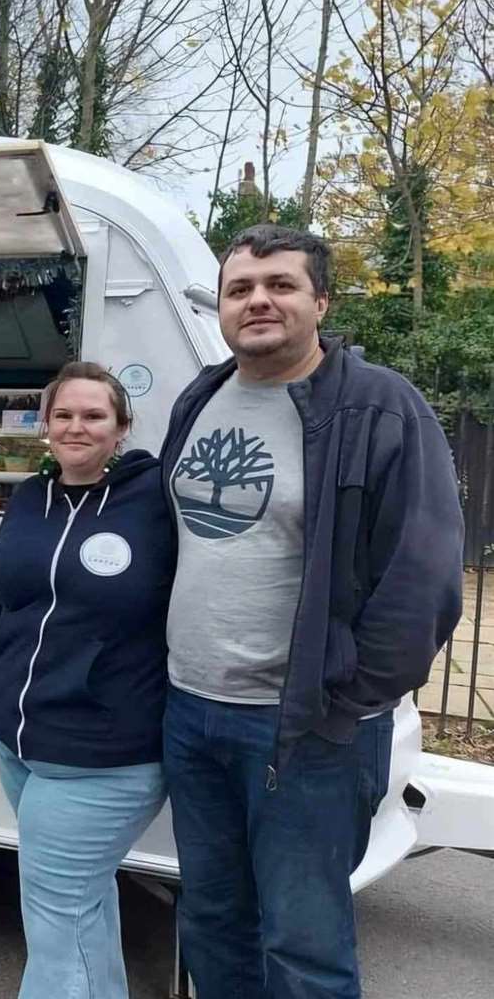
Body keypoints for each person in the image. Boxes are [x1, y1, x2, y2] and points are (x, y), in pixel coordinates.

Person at [159, 224, 464, 998]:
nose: (257, 300)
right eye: (239, 289)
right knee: (212, 919)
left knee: (302, 943)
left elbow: (422, 574)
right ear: (222, 308)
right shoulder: (202, 395)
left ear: (319, 300)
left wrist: (349, 702)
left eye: (280, 285)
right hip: (191, 712)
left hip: (301, 728)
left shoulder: (379, 407)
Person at [0, 361, 174, 999]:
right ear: (46, 426)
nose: (76, 427)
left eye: (93, 416)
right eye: (63, 415)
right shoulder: (30, 496)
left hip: (103, 754)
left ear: (121, 426)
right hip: (17, 740)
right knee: (81, 906)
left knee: (57, 921)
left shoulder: (159, 501)